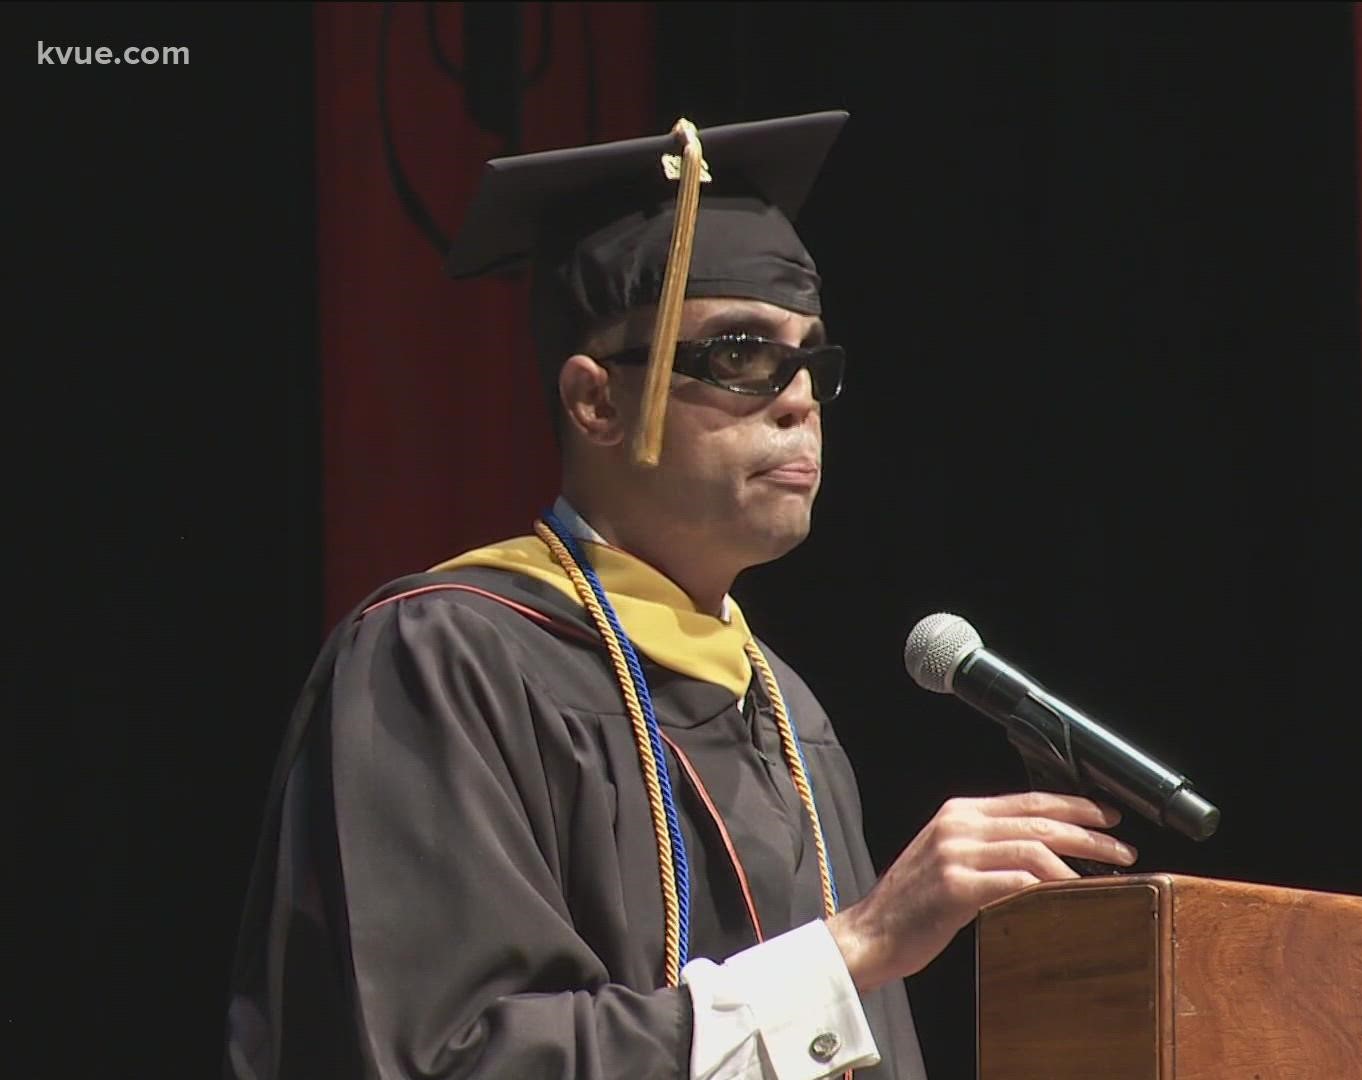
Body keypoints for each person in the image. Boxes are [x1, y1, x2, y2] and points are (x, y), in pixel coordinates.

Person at [223, 110, 1138, 1080]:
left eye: (811, 362)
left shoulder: (788, 715)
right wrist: (851, 949)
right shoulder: (443, 660)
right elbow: (442, 1057)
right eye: (739, 356)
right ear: (596, 402)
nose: (796, 400)